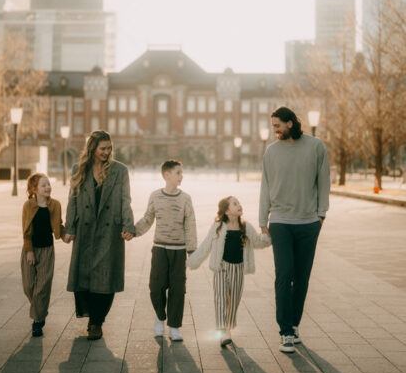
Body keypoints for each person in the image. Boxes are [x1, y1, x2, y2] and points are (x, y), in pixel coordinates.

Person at [259, 106, 330, 353]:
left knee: (301, 278)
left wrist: (321, 214)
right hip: (280, 222)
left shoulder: (316, 147)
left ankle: (294, 324)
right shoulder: (271, 152)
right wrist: (262, 218)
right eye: (273, 126)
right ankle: (285, 332)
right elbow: (265, 186)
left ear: (290, 123)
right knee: (284, 274)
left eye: (277, 125)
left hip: (308, 223)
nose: (274, 130)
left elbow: (323, 181)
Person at [63, 130, 135, 340]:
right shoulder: (79, 169)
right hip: (85, 229)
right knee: (83, 275)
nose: (107, 152)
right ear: (92, 148)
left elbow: (125, 200)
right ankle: (90, 316)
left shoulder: (119, 170)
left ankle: (97, 322)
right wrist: (69, 228)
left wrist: (128, 225)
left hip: (109, 229)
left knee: (105, 277)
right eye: (103, 148)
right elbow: (73, 199)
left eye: (109, 148)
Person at [123, 159, 197, 342]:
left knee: (178, 289)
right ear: (167, 175)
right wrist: (133, 231)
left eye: (182, 172)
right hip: (160, 250)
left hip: (179, 251)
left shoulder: (185, 198)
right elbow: (148, 219)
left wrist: (192, 249)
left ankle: (174, 327)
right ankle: (159, 317)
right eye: (178, 172)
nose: (181, 176)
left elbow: (190, 224)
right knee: (156, 287)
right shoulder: (155, 196)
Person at [187, 196, 271, 347]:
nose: (239, 205)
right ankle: (222, 331)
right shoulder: (218, 226)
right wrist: (193, 260)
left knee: (234, 300)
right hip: (221, 267)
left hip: (238, 268)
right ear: (226, 210)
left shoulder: (246, 227)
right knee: (220, 298)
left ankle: (227, 328)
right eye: (235, 204)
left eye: (239, 202)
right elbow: (206, 245)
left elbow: (258, 242)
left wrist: (268, 237)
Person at [21, 173, 65, 337]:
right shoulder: (28, 206)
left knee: (42, 287)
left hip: (47, 249)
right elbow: (26, 230)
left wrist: (66, 235)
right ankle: (39, 310)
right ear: (34, 189)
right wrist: (29, 250)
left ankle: (37, 321)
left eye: (48, 184)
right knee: (28, 286)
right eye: (43, 185)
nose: (48, 187)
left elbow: (59, 225)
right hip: (30, 250)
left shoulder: (55, 205)